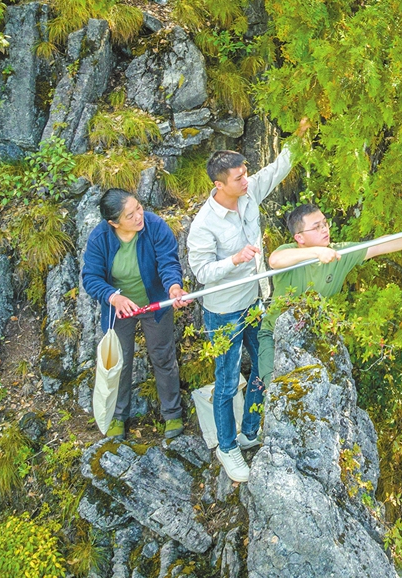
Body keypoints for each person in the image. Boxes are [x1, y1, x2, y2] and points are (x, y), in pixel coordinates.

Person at [186, 126, 306, 483]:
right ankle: (227, 447)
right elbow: (201, 272)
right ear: (219, 184)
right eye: (239, 178)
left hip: (257, 299)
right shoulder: (204, 225)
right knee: (225, 381)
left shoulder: (249, 193)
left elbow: (276, 170)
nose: (246, 181)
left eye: (246, 174)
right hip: (224, 310)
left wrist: (299, 137)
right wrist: (235, 260)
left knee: (262, 363)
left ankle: (251, 428)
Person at [253, 202, 402, 393]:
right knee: (276, 392)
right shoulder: (289, 253)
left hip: (316, 337)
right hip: (275, 338)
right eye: (316, 227)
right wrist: (316, 252)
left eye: (325, 223)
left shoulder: (340, 253)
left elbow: (379, 244)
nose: (324, 229)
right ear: (299, 237)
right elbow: (275, 260)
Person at [81, 188, 190, 439]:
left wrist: (174, 286)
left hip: (154, 305)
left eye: (138, 208)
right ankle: (118, 416)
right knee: (120, 362)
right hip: (120, 309)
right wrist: (113, 297)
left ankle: (172, 414)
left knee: (163, 357)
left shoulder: (155, 226)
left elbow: (168, 261)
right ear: (113, 223)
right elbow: (91, 277)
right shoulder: (100, 239)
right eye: (130, 215)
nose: (139, 216)